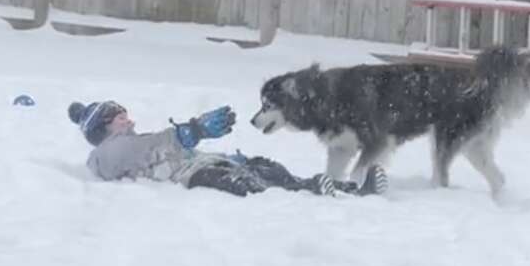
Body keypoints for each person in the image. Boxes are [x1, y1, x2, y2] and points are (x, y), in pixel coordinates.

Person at [68, 100, 387, 197]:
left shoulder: (130, 140)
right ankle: (315, 192)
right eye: (117, 116)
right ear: (103, 128)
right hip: (196, 176)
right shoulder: (105, 154)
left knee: (266, 167)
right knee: (253, 186)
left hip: (206, 162)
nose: (126, 117)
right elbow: (143, 150)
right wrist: (188, 132)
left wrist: (220, 153)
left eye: (124, 112)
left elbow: (151, 146)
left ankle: (346, 190)